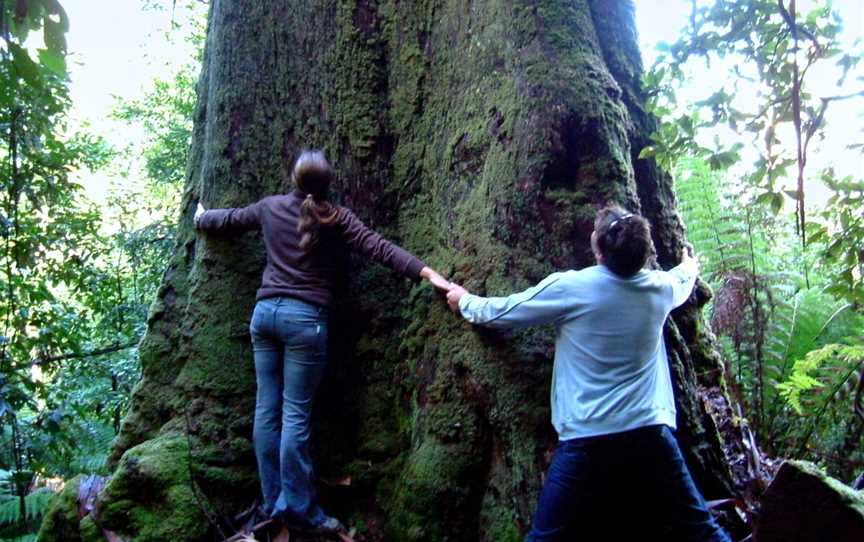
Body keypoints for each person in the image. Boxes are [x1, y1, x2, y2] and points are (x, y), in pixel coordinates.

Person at [195, 150, 450, 535]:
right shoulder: (336, 217)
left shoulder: (270, 207)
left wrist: (201, 217)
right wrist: (428, 274)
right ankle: (300, 509)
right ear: (328, 183)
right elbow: (379, 247)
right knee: (294, 415)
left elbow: (229, 220)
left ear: (294, 179)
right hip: (304, 322)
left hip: (264, 316)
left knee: (267, 412)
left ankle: (272, 501)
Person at [445, 206, 731, 542]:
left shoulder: (572, 287)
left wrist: (465, 301)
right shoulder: (660, 288)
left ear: (598, 250)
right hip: (649, 433)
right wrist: (690, 264)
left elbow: (504, 311)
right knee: (700, 528)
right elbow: (683, 279)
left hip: (588, 437)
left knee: (545, 537)